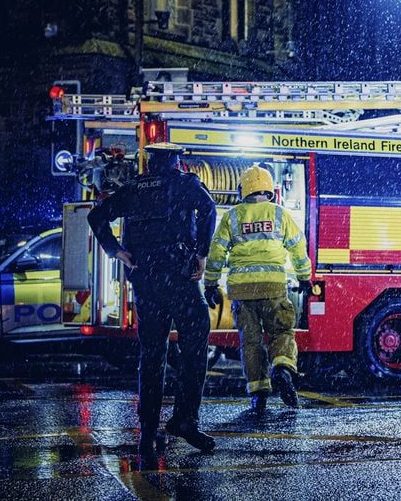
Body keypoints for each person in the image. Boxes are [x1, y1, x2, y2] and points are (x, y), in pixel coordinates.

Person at [87, 142, 217, 460]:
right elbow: (209, 210)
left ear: (150, 162)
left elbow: (96, 217)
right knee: (196, 340)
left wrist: (116, 251)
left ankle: (147, 431)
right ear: (174, 162)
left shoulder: (132, 188)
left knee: (152, 354)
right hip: (179, 276)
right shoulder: (184, 183)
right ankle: (185, 419)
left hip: (146, 279)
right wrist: (201, 254)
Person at [204, 165, 313, 412]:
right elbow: (298, 247)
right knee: (282, 332)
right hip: (273, 287)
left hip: (242, 292)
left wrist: (210, 284)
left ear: (243, 189)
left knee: (251, 343)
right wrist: (304, 278)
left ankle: (259, 393)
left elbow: (217, 251)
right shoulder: (280, 215)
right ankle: (282, 369)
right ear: (269, 189)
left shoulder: (232, 217)